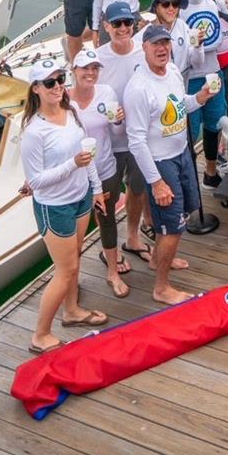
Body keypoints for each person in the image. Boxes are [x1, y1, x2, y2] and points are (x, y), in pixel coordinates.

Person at [19, 58, 109, 352]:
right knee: (65, 270)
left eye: (59, 80)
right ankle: (40, 335)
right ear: (35, 89)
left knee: (74, 260)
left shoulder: (70, 113)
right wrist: (72, 165)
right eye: (49, 83)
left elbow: (86, 152)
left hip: (80, 198)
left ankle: (71, 312)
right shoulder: (34, 133)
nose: (57, 86)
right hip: (54, 206)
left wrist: (95, 189)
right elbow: (36, 181)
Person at [123, 24, 216, 303]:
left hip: (182, 154)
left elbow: (180, 105)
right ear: (144, 48)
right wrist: (157, 181)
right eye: (155, 44)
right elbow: (136, 141)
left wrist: (200, 98)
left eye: (165, 42)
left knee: (181, 217)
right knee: (172, 227)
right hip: (161, 163)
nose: (162, 48)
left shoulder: (173, 71)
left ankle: (161, 259)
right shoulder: (138, 88)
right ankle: (161, 287)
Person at [68, 48, 129, 298]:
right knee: (75, 229)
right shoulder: (63, 100)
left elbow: (116, 135)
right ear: (74, 71)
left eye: (95, 68)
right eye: (85, 68)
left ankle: (112, 271)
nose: (90, 73)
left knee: (107, 218)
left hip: (105, 169)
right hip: (77, 175)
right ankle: (72, 279)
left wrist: (118, 122)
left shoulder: (106, 93)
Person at [96, 0, 150, 264]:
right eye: (116, 23)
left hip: (139, 139)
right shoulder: (98, 58)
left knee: (138, 190)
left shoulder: (144, 51)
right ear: (106, 26)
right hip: (110, 144)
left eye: (127, 22)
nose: (122, 28)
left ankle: (133, 237)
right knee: (108, 200)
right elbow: (87, 99)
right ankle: (111, 252)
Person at [180, 0, 228, 188]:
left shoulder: (212, 0)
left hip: (213, 71)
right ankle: (189, 180)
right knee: (188, 132)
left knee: (214, 124)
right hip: (190, 78)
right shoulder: (177, 5)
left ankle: (210, 172)